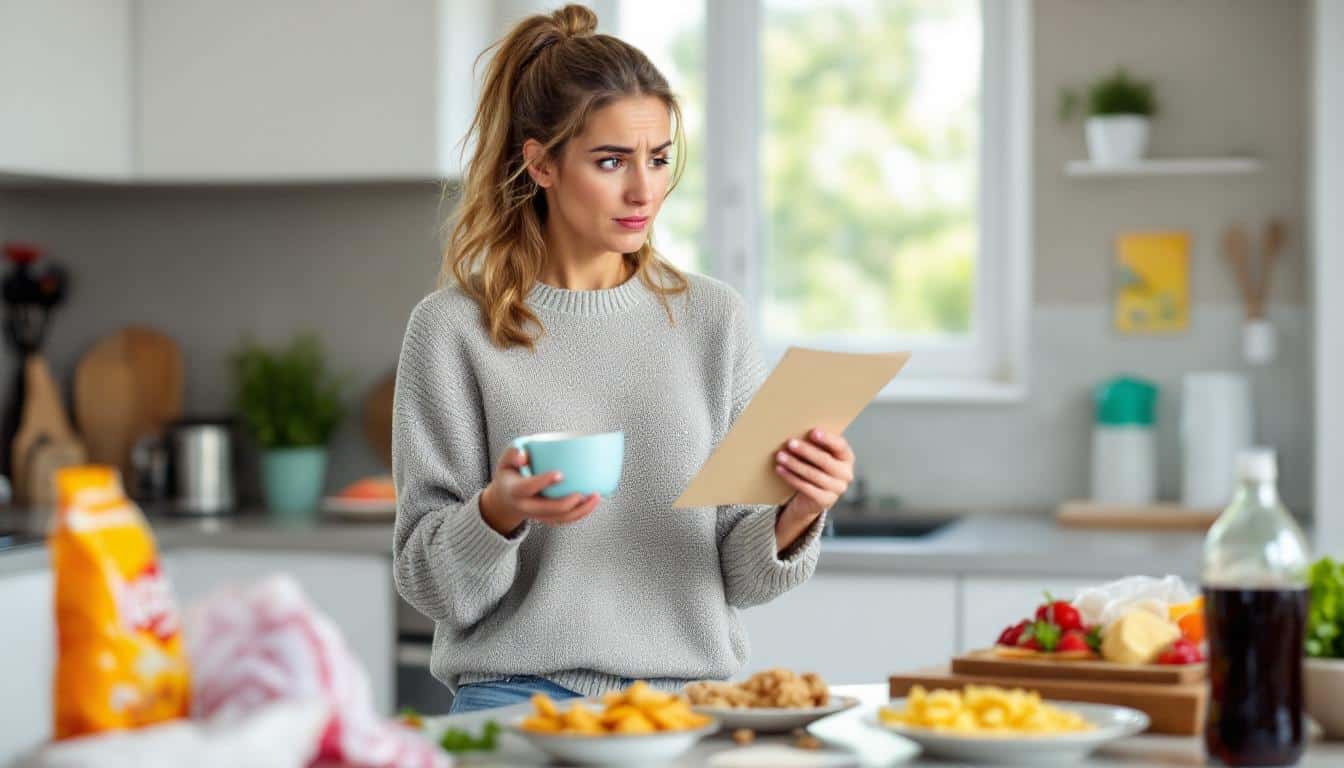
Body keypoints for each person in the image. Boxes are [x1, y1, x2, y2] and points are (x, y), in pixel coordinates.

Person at [392, 4, 855, 714]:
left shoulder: (713, 320)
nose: (644, 190)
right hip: (516, 702)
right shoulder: (454, 329)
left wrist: (800, 510)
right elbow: (433, 587)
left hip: (690, 707)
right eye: (611, 161)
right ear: (541, 163)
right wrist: (498, 511)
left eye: (659, 159)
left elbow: (741, 577)